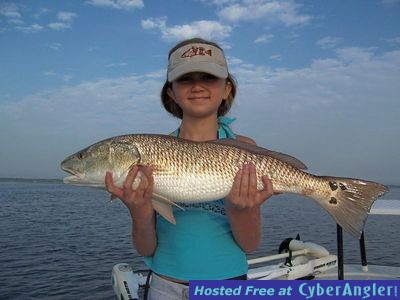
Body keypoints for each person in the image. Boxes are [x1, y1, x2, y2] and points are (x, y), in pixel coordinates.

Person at [105, 38, 275, 299]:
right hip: (164, 285)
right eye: (185, 79)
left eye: (209, 77)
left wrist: (240, 209)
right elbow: (146, 248)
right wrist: (138, 210)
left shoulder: (245, 149)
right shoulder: (152, 153)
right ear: (171, 91)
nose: (197, 86)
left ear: (227, 88)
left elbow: (250, 245)